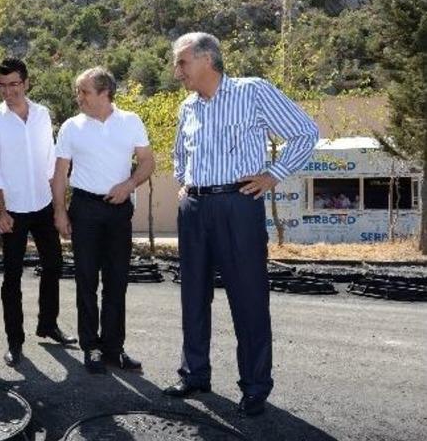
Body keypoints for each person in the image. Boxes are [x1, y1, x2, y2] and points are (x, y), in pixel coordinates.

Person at [167, 32, 318, 416]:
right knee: (193, 297)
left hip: (238, 204)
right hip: (195, 209)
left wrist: (273, 174)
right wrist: (184, 184)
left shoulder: (252, 91)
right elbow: (178, 153)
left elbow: (305, 132)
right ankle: (194, 373)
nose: (177, 70)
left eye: (182, 62)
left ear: (207, 60)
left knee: (248, 298)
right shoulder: (188, 107)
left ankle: (254, 386)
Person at [51, 66, 154, 375]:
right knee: (85, 280)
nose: (78, 97)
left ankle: (114, 348)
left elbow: (148, 162)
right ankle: (91, 347)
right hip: (84, 209)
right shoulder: (71, 127)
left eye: (84, 91)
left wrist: (129, 185)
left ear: (104, 93)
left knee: (117, 280)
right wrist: (59, 211)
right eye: (78, 91)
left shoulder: (131, 121)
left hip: (119, 210)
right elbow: (59, 174)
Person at [0, 58, 77, 367]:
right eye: (2, 85)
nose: (8, 91)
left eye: (13, 84)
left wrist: (59, 209)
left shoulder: (42, 115)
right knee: (11, 278)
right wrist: (1, 212)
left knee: (53, 265)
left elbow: (52, 166)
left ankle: (48, 324)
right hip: (13, 211)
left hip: (43, 205)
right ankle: (15, 340)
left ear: (26, 83)